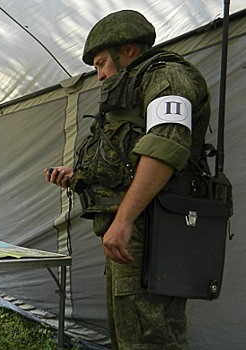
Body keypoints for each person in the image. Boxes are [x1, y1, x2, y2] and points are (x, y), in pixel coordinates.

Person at [45, 10, 210, 350]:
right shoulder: (127, 91)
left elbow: (165, 147)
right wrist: (80, 176)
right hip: (131, 229)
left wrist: (123, 220)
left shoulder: (167, 77)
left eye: (102, 63)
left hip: (153, 227)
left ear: (129, 51)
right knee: (127, 335)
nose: (100, 75)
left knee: (151, 337)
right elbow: (125, 162)